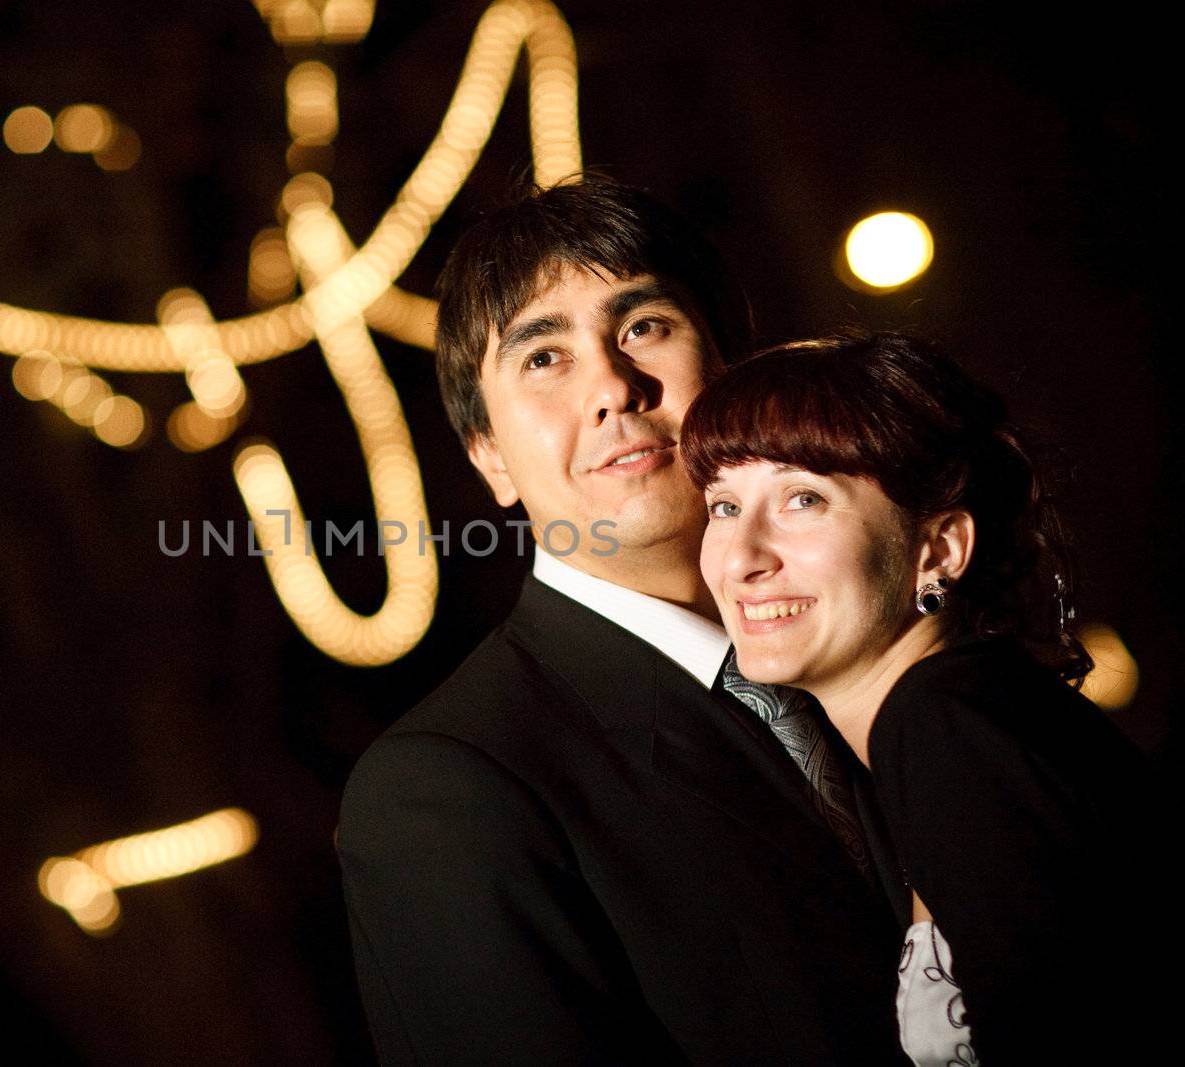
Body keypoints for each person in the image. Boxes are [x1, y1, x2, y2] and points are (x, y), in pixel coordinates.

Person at [336, 177, 908, 1064]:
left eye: (644, 327)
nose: (612, 385)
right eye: (542, 357)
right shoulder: (446, 788)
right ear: (487, 453)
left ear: (735, 374)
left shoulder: (877, 640)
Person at [684, 330, 1172, 1064]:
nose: (743, 557)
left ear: (938, 549)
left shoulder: (945, 722)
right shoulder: (952, 718)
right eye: (723, 506)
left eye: (802, 498)